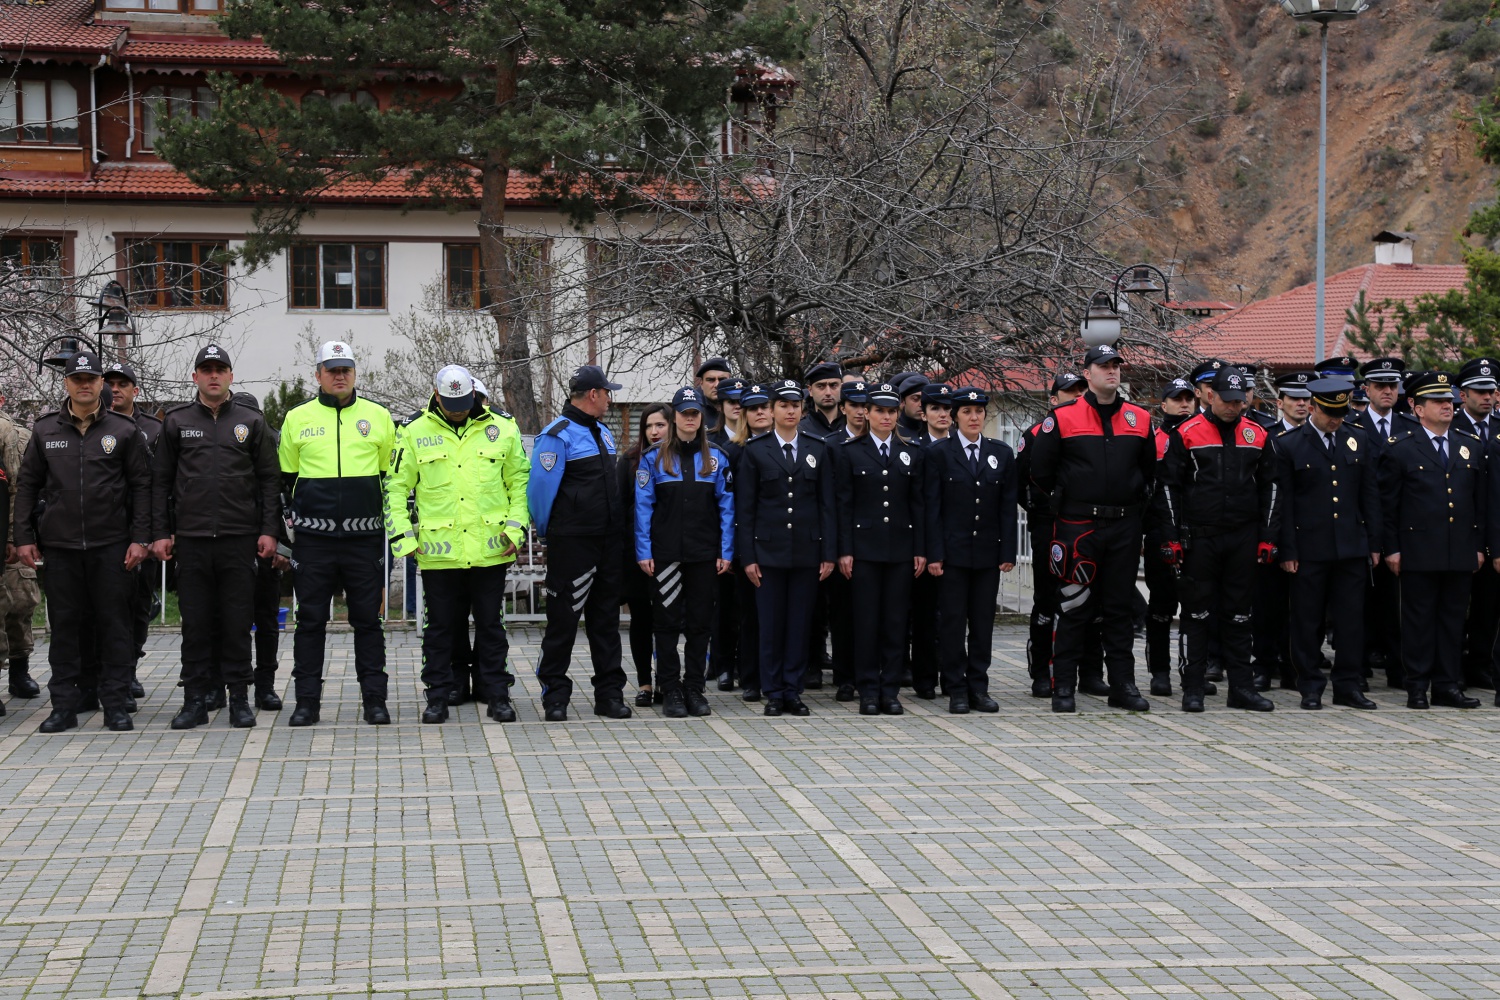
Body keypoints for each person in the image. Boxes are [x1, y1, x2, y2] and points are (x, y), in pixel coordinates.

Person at [13, 353, 151, 732]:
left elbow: (142, 487)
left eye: (91, 378)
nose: (85, 384)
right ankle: (63, 706)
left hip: (112, 547)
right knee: (65, 629)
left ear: (101, 383)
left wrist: (140, 538)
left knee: (115, 627)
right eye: (77, 378)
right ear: (67, 383)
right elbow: (27, 487)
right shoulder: (45, 431)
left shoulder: (123, 430)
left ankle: (115, 704)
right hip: (61, 547)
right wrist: (23, 536)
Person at [387, 365, 529, 724]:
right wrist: (403, 540)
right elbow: (395, 488)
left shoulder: (502, 428)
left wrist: (515, 532)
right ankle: (436, 697)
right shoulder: (413, 431)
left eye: (464, 402)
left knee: (492, 628)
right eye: (451, 403)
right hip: (439, 553)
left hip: (489, 549)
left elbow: (520, 484)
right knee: (439, 631)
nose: (459, 409)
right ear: (436, 395)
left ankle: (497, 695)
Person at [150, 345, 281, 729]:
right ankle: (195, 700)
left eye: (219, 370)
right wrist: (160, 533)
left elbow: (269, 481)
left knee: (238, 620)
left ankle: (239, 698)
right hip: (190, 540)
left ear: (230, 376)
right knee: (195, 622)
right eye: (205, 370)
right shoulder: (175, 421)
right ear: (195, 377)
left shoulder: (251, 421)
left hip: (238, 538)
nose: (213, 376)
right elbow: (160, 482)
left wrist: (269, 530)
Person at [1028, 344, 1155, 714]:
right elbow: (1040, 473)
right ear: (1088, 374)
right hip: (1077, 526)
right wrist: (1065, 504)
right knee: (1073, 606)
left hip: (1124, 526)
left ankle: (1123, 686)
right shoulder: (1062, 417)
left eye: (1116, 365)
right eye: (1103, 366)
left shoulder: (1140, 418)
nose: (1111, 371)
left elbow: (1148, 474)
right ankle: (1063, 686)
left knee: (1118, 609)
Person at [278, 341, 398, 727]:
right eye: (332, 369)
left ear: (355, 372)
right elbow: (286, 481)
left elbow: (389, 478)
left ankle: (375, 701)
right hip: (314, 541)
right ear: (318, 374)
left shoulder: (379, 417)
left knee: (369, 622)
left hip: (365, 540)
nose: (339, 375)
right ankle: (306, 703)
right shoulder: (297, 417)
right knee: (310, 621)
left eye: (345, 368)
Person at [1155, 366, 1281, 713]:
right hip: (1200, 538)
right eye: (1228, 400)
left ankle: (1241, 688)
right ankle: (1193, 687)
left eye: (1240, 401)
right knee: (1196, 615)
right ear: (1211, 396)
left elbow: (1272, 486)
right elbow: (1168, 487)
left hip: (1243, 537)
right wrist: (1172, 537)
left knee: (1240, 615)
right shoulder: (1188, 432)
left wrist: (1268, 536)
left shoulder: (1258, 434)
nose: (1234, 407)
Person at [527, 364, 633, 722]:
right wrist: (549, 532)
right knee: (563, 622)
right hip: (572, 544)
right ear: (593, 395)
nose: (609, 398)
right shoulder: (557, 435)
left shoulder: (602, 432)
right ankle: (555, 696)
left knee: (605, 621)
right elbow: (540, 493)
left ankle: (610, 695)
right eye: (607, 393)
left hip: (607, 543)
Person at [1274, 378, 1381, 710]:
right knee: (1307, 620)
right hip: (1309, 547)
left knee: (1351, 620)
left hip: (1351, 546)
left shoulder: (1357, 439)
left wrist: (1374, 542)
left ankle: (1348, 684)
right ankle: (1310, 684)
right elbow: (1284, 503)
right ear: (1314, 407)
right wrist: (1288, 549)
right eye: (1330, 412)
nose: (1336, 419)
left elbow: (1370, 496)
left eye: (1341, 412)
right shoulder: (1290, 444)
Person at [735, 378, 836, 716]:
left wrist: (828, 553)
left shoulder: (817, 448)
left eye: (795, 405)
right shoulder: (755, 450)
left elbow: (826, 507)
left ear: (801, 409)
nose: (790, 410)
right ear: (773, 410)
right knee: (771, 626)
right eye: (783, 405)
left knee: (798, 626)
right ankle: (773, 690)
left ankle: (793, 690)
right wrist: (747, 556)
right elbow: (745, 509)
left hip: (807, 553)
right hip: (768, 553)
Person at [1384, 371, 1485, 709]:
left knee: (1453, 621)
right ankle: (1417, 685)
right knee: (1418, 621)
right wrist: (1392, 548)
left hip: (1458, 550)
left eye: (1450, 401)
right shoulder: (1401, 449)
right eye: (1439, 401)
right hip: (1418, 550)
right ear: (1417, 408)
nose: (1448, 405)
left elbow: (1478, 504)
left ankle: (1447, 685)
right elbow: (1389, 506)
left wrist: (1477, 546)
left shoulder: (1469, 445)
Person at [635, 387, 734, 718]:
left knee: (699, 625)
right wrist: (643, 551)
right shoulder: (653, 458)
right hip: (665, 557)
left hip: (705, 555)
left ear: (701, 417)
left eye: (695, 413)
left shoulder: (717, 457)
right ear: (674, 416)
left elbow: (727, 509)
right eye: (684, 413)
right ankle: (671, 688)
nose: (690, 418)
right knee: (665, 624)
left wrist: (726, 550)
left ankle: (694, 687)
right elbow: (643, 508)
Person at [833, 383, 926, 714]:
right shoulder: (848, 451)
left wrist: (920, 548)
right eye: (879, 411)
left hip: (901, 549)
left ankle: (891, 691)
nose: (886, 417)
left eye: (891, 412)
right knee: (866, 622)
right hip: (863, 550)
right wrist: (843, 550)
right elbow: (842, 505)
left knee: (895, 623)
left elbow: (918, 504)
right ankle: (869, 690)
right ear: (867, 414)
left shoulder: (912, 450)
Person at [926, 386, 1018, 713]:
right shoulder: (939, 453)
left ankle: (978, 686)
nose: (974, 417)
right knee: (952, 622)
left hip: (986, 553)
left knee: (982, 623)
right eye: (966, 411)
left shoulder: (1001, 453)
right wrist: (935, 554)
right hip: (952, 555)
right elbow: (932, 509)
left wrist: (1008, 551)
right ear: (954, 416)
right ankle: (956, 688)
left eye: (979, 411)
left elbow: (1008, 508)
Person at [1016, 372, 1087, 699]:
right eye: (1067, 394)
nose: (1074, 398)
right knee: (1046, 600)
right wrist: (1039, 509)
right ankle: (1041, 671)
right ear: (1053, 399)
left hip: (1083, 527)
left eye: (1079, 393)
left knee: (1085, 600)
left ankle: (1088, 671)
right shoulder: (1035, 434)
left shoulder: (1091, 431)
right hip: (1048, 526)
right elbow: (1019, 483)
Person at [1346, 357, 1411, 689]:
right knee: (1359, 605)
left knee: (1397, 606)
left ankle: (1399, 669)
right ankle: (1357, 670)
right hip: (1363, 526)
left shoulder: (1410, 426)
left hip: (1402, 528)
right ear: (1366, 389)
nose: (1388, 391)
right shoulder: (1351, 427)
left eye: (1393, 385)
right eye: (1380, 386)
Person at [1251, 370, 1316, 692]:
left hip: (1310, 535)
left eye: (1306, 399)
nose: (1302, 404)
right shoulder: (1266, 434)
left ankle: (1295, 667)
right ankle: (1262, 665)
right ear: (1281, 402)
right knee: (1268, 605)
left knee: (1304, 609)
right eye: (1295, 399)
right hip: (1273, 531)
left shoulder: (1321, 436)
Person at [104, 361, 162, 701]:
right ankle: (105, 673)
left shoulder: (154, 430)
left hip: (143, 530)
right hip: (105, 530)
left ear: (135, 390)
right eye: (109, 382)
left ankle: (129, 669)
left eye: (122, 384)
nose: (116, 389)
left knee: (139, 604)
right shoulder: (96, 425)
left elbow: (162, 483)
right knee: (105, 606)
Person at [1144, 377, 1196, 698]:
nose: (1185, 403)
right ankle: (1159, 672)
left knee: (1195, 611)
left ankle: (1192, 671)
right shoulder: (1154, 441)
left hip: (1196, 535)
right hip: (1160, 536)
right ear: (1164, 405)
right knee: (1161, 607)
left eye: (1189, 398)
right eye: (1177, 399)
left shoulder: (1202, 435)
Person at [1453, 357, 1500, 691]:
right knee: (1455, 605)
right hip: (1459, 530)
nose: (1487, 397)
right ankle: (1452, 666)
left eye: (1492, 391)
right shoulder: (1449, 425)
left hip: (1493, 529)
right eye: (1480, 391)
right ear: (1463, 393)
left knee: (1489, 605)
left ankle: (1480, 664)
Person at [621, 404, 672, 706]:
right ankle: (644, 683)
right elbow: (621, 509)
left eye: (660, 425)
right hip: (636, 555)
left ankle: (667, 680)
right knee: (641, 620)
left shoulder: (682, 460)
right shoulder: (629, 461)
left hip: (670, 553)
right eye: (649, 426)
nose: (654, 432)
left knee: (667, 621)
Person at [730, 383, 774, 700]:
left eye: (764, 406)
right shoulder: (734, 451)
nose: (760, 412)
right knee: (750, 615)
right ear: (744, 414)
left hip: (778, 543)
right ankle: (751, 678)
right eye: (753, 408)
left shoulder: (786, 447)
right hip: (745, 544)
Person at [0, 395, 41, 703]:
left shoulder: (9, 432)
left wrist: (14, 536)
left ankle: (19, 670)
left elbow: (19, 487)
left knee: (18, 603)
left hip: (9, 531)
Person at [709, 375, 746, 691]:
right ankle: (722, 665)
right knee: (722, 607)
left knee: (746, 607)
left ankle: (744, 663)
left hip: (749, 533)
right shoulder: (713, 443)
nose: (736, 406)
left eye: (740, 400)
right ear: (720, 405)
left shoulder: (757, 439)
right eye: (730, 401)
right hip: (720, 534)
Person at [799, 361, 845, 439]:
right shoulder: (800, 429)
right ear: (810, 390)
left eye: (833, 385)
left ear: (841, 387)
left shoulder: (852, 425)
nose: (828, 392)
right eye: (821, 386)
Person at [694, 357, 732, 431]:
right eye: (711, 380)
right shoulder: (693, 408)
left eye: (722, 380)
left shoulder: (741, 405)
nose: (717, 385)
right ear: (701, 384)